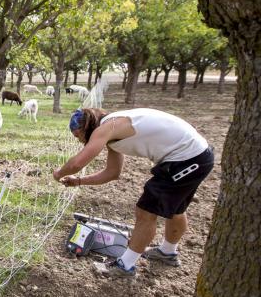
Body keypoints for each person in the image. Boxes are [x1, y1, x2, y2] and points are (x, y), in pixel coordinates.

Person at [53, 107, 214, 277]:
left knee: (146, 211)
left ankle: (125, 266)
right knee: (176, 209)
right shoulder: (113, 129)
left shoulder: (108, 128)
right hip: (196, 155)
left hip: (186, 159)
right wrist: (78, 181)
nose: (79, 141)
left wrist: (59, 173)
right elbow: (112, 173)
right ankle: (167, 253)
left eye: (78, 136)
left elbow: (77, 163)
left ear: (87, 128)